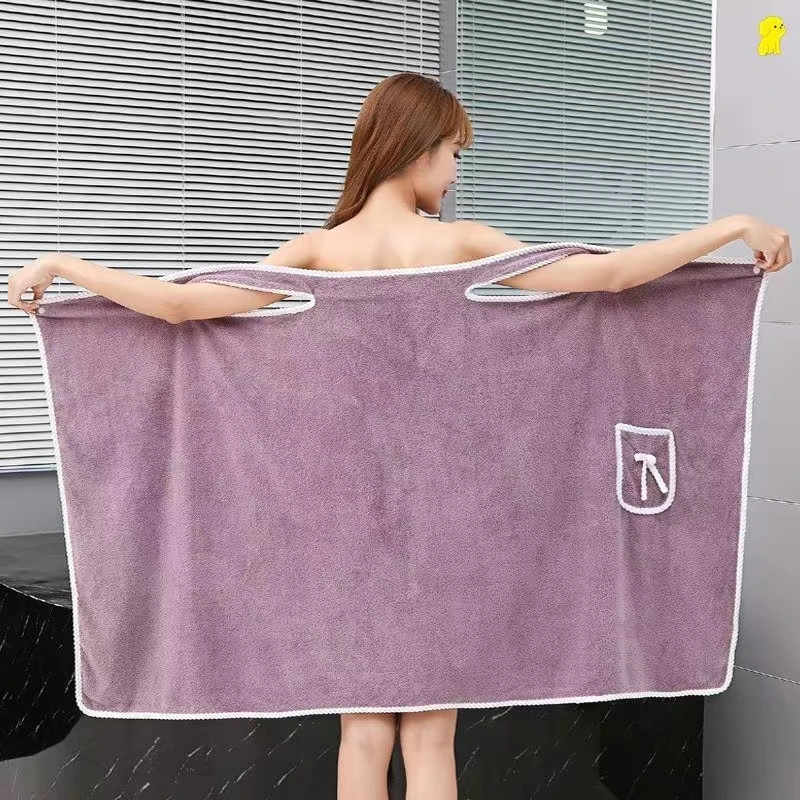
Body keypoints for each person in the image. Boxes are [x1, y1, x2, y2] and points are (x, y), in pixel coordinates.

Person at [5, 71, 793, 800]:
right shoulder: (459, 243)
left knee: (362, 733)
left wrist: (68, 266)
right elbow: (609, 276)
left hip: (342, 533)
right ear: (418, 148)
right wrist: (728, 226)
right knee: (430, 737)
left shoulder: (319, 252)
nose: (454, 173)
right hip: (447, 531)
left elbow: (180, 308)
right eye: (453, 153)